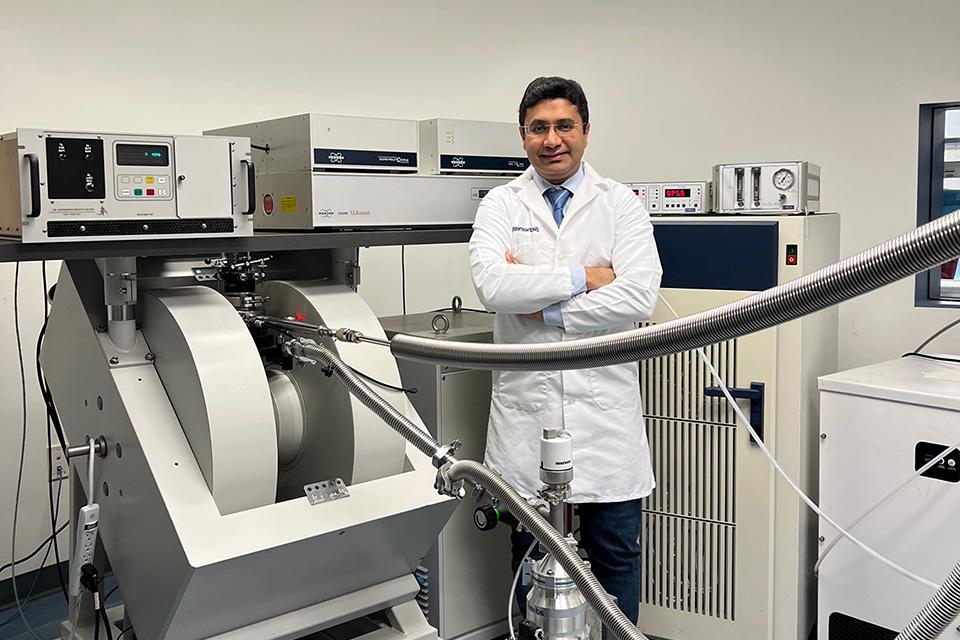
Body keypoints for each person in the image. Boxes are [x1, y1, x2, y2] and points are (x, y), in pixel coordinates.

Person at [468, 76, 662, 625]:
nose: (552, 139)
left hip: (605, 416)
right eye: (539, 128)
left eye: (564, 126)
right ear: (523, 135)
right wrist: (587, 276)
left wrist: (546, 306)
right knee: (528, 553)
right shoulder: (501, 203)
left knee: (617, 552)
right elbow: (493, 287)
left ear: (585, 131)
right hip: (526, 410)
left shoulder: (619, 202)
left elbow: (639, 293)